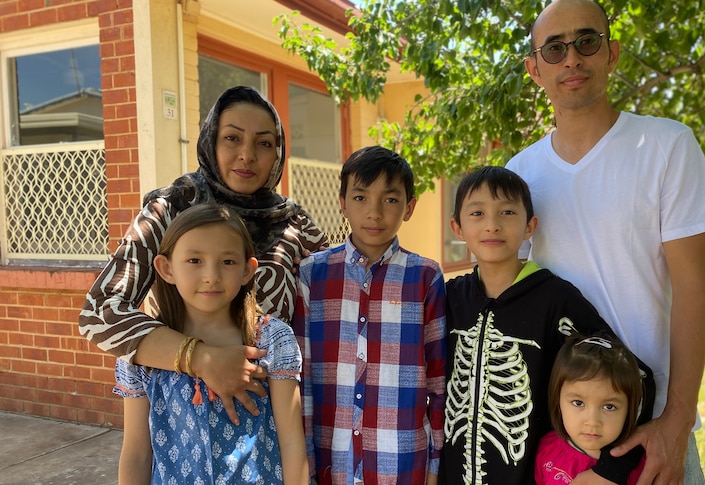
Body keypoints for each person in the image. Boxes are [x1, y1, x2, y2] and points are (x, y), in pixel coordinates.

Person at [505, 1, 705, 483]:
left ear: (612, 53)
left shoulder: (669, 147)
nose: (571, 59)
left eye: (587, 42)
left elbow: (694, 289)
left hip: (652, 426)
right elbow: (511, 299)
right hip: (559, 428)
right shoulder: (519, 175)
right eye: (554, 48)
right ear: (534, 69)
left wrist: (677, 420)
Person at [80, 86, 327, 425]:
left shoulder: (294, 224)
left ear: (278, 153)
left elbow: (340, 304)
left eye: (264, 143)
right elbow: (99, 312)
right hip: (183, 415)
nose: (247, 155)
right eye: (232, 138)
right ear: (211, 141)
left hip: (271, 418)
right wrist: (201, 357)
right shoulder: (171, 211)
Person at [438, 166, 652, 485]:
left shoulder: (555, 300)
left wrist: (613, 469)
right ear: (457, 227)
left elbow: (637, 377)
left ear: (529, 226)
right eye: (478, 213)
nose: (492, 225)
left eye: (507, 212)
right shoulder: (449, 298)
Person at [114, 203, 308, 484]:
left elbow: (292, 444)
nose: (211, 276)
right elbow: (136, 453)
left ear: (246, 270)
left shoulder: (271, 340)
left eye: (227, 262)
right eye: (195, 261)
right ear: (166, 268)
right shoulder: (142, 350)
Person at [293, 146, 446, 485]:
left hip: (403, 463)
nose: (374, 213)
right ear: (342, 203)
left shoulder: (425, 277)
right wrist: (305, 463)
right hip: (333, 461)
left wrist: (434, 466)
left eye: (390, 200)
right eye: (361, 198)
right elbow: (301, 381)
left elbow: (438, 378)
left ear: (409, 207)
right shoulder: (312, 275)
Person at [536, 335, 650, 485]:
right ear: (558, 401)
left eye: (609, 407)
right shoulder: (547, 450)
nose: (592, 421)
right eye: (578, 403)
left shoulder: (642, 468)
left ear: (629, 411)